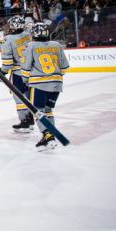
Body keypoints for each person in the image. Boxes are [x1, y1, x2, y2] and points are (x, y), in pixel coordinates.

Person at [21, 22, 70, 150]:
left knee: (37, 111)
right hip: (57, 84)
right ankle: (51, 136)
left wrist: (25, 82)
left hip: (39, 85)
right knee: (48, 110)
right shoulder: (57, 45)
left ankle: (47, 136)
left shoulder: (30, 46)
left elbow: (25, 69)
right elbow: (64, 67)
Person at [0, 15, 34, 132]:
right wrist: (28, 16)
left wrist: (3, 72)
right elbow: (31, 24)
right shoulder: (28, 34)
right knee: (30, 95)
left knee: (19, 97)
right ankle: (31, 117)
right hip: (31, 71)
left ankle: (24, 121)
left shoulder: (8, 39)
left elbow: (8, 61)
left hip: (19, 73)